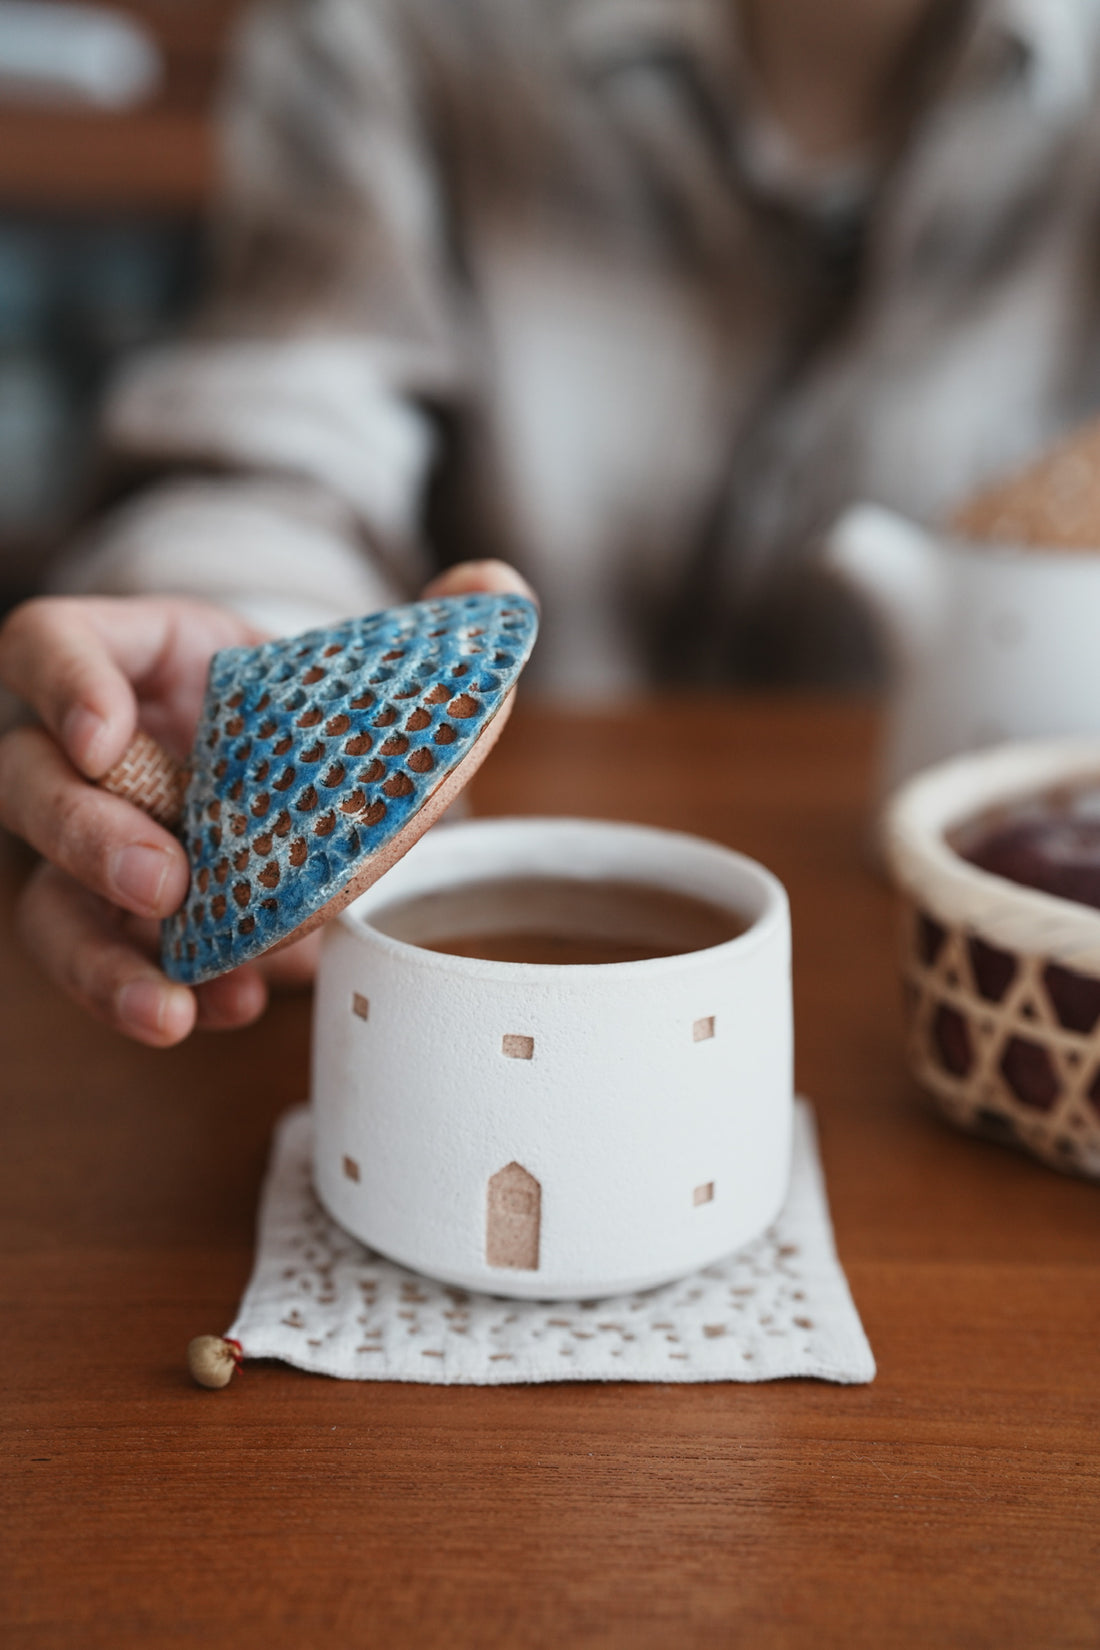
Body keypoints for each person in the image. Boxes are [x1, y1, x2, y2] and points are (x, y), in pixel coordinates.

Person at [4, 0, 1100, 1045]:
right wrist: (255, 691)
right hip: (420, 944)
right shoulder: (395, 31)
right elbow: (275, 447)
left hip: (967, 962)